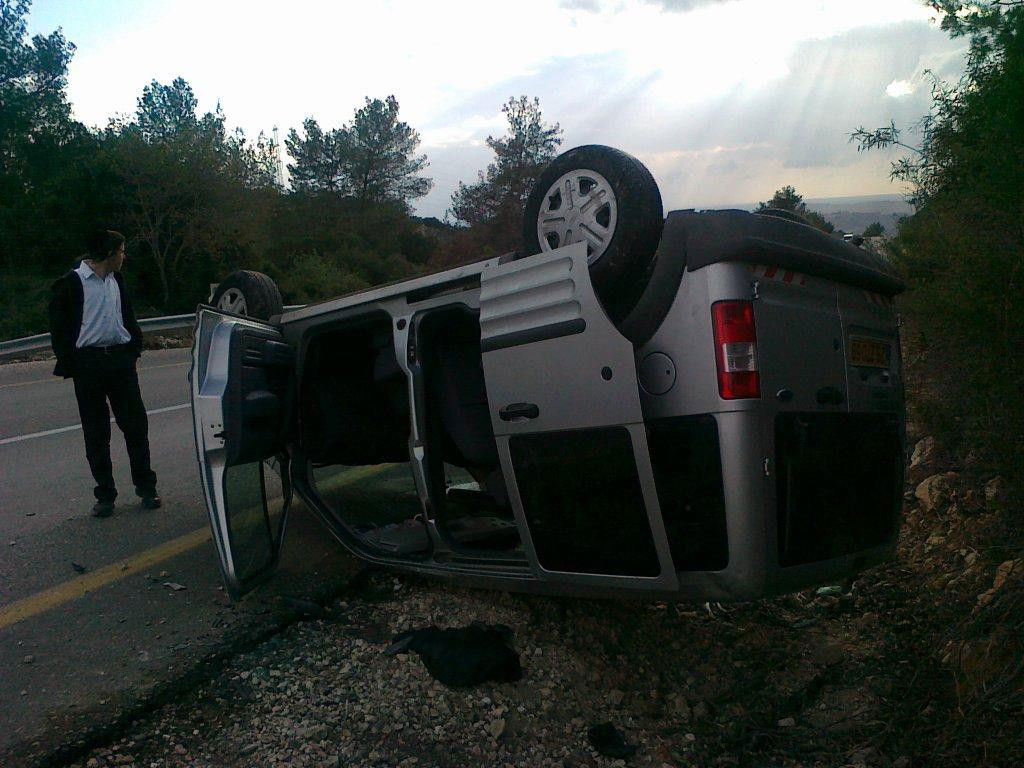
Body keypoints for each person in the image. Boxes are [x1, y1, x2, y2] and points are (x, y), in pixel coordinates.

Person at [48, 230, 161, 517]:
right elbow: (59, 328)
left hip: (120, 363)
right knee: (96, 432)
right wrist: (73, 362)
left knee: (135, 425)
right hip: (89, 365)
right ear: (109, 253)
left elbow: (128, 316)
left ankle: (147, 487)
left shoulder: (117, 280)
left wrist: (133, 347)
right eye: (122, 251)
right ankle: (105, 495)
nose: (125, 256)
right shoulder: (71, 283)